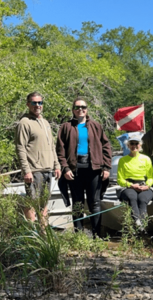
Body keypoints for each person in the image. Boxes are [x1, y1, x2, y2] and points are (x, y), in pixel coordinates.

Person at [56, 97, 112, 238]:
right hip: (74, 171)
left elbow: (106, 146)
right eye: (77, 107)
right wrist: (65, 168)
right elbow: (60, 150)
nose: (80, 110)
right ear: (73, 110)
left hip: (94, 169)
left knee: (95, 202)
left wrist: (106, 167)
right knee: (78, 204)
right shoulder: (66, 127)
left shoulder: (95, 126)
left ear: (87, 109)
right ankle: (79, 236)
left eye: (83, 107)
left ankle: (97, 236)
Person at [15, 92, 61, 222]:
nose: (37, 105)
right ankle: (31, 231)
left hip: (47, 170)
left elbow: (52, 146)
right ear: (28, 104)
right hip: (34, 171)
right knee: (32, 203)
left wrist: (56, 165)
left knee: (44, 204)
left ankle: (43, 234)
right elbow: (20, 148)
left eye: (40, 103)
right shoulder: (24, 123)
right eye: (34, 103)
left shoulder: (45, 122)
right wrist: (26, 170)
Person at [117, 135, 153, 228]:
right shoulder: (122, 160)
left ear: (140, 145)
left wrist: (147, 186)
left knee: (142, 199)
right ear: (128, 145)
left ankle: (143, 224)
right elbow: (120, 179)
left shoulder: (146, 159)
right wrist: (131, 185)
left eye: (136, 143)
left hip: (144, 185)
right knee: (132, 197)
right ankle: (137, 222)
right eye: (132, 143)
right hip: (129, 186)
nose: (134, 145)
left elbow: (151, 177)